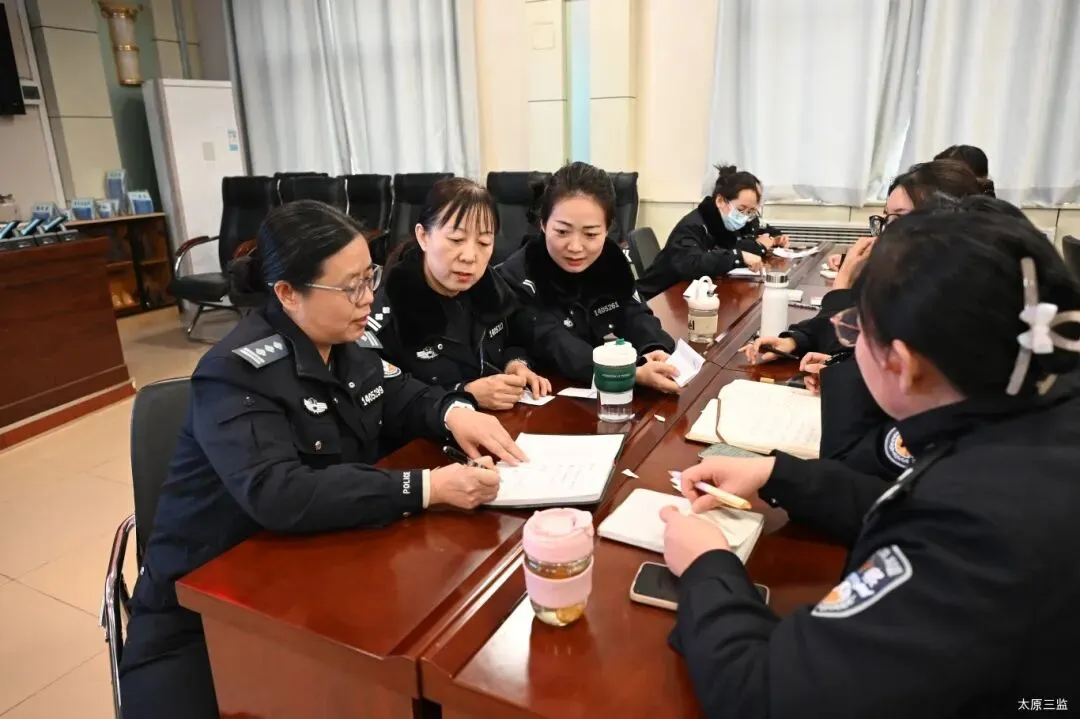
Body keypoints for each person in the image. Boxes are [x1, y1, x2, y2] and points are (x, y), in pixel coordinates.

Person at [661, 208, 1080, 717]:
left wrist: (707, 566)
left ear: (902, 365)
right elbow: (913, 499)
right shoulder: (1036, 417)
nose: (852, 344)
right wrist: (779, 475)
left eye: (857, 329)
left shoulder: (977, 532)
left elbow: (768, 695)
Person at [118, 200, 526, 719]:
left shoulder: (349, 342)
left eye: (369, 278)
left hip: (320, 568)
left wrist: (454, 412)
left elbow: (402, 396)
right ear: (288, 293)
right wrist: (425, 487)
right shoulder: (234, 374)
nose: (369, 297)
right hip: (207, 606)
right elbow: (278, 492)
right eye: (351, 287)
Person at [744, 159, 984, 364]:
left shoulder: (950, 299)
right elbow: (856, 339)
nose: (885, 232)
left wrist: (842, 285)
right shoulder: (909, 277)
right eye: (887, 218)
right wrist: (797, 341)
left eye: (898, 219)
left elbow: (852, 351)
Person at [373, 178, 551, 411]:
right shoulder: (388, 310)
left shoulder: (494, 288)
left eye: (484, 242)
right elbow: (384, 396)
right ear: (423, 236)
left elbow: (515, 339)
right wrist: (462, 393)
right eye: (456, 240)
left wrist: (515, 364)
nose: (469, 257)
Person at [500, 162, 680, 391]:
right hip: (548, 390)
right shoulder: (521, 275)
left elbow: (633, 312)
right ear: (543, 224)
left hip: (595, 389)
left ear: (607, 229)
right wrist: (629, 372)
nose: (575, 247)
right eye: (562, 231)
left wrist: (653, 348)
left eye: (591, 234)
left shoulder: (610, 261)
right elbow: (555, 342)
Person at [636, 164, 789, 300]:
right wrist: (740, 256)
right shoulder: (694, 225)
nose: (744, 217)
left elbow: (760, 228)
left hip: (697, 294)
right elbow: (692, 264)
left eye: (750, 212)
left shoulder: (733, 220)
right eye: (741, 209)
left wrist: (776, 237)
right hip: (660, 298)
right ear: (720, 201)